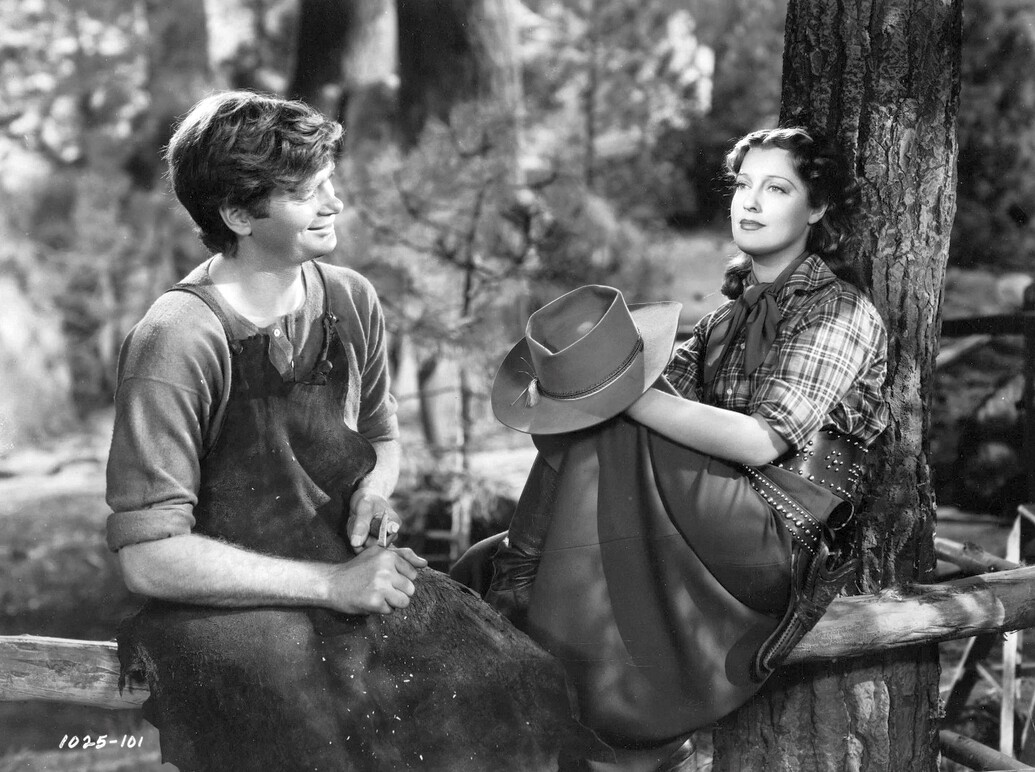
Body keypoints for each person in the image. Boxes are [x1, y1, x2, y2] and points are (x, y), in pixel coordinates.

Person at [106, 90, 602, 772]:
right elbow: (148, 557)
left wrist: (374, 487)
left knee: (515, 680)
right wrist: (331, 585)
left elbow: (381, 436)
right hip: (228, 610)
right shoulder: (176, 339)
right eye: (306, 193)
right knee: (320, 736)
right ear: (235, 214)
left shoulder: (348, 297)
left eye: (329, 182)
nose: (334, 203)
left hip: (349, 577)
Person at [476, 127, 890, 771]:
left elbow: (760, 441)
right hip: (710, 512)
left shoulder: (842, 311)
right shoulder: (725, 318)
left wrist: (618, 398)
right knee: (593, 409)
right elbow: (647, 414)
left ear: (817, 208)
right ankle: (514, 575)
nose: (751, 202)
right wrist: (585, 387)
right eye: (743, 185)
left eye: (777, 189)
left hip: (779, 530)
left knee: (608, 410)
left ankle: (519, 584)